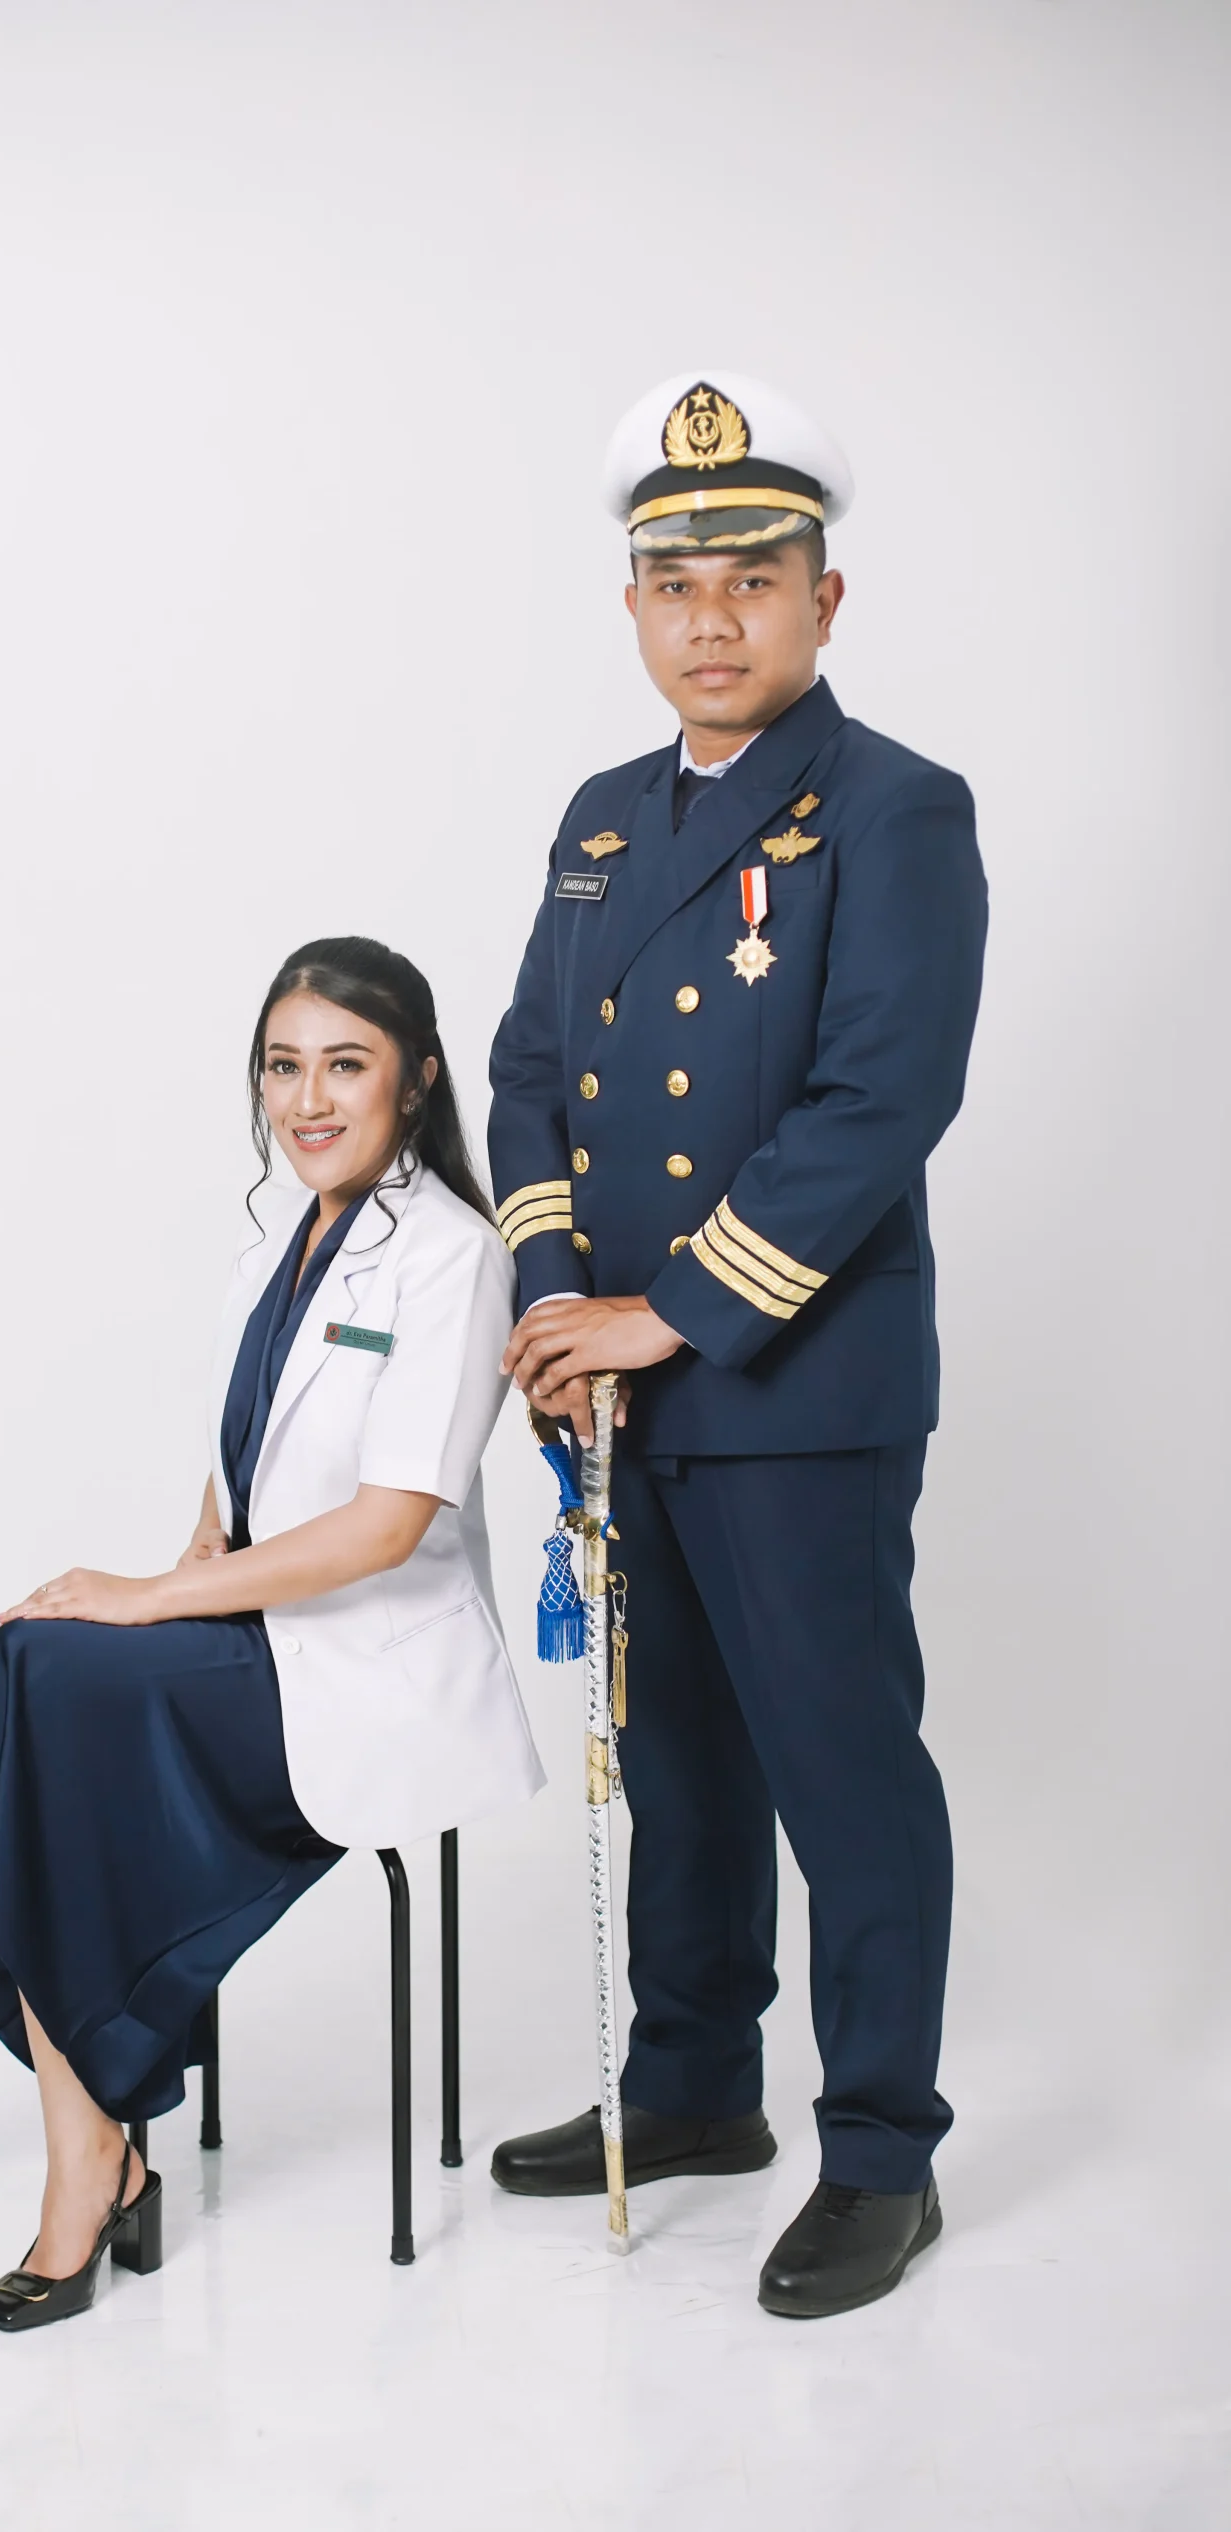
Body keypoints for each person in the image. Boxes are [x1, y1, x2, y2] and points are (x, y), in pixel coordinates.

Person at [0, 936, 543, 2331]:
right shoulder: (284, 1235)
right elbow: (248, 1462)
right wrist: (188, 1561)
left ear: (417, 1079)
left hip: (374, 1668)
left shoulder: (452, 1254)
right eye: (282, 1067)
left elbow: (384, 1528)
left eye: (345, 1065)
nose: (306, 1099)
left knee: (47, 1689)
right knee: (48, 1700)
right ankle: (62, 2141)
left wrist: (146, 1599)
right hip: (263, 1636)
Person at [486, 370, 988, 2318]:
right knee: (676, 1762)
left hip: (794, 1387)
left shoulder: (893, 808)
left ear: (823, 600)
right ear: (632, 606)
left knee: (840, 1770)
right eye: (675, 583)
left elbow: (880, 1101)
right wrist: (558, 1304)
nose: (712, 618)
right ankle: (694, 2089)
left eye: (753, 579)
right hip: (617, 1396)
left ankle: (880, 2151)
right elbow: (529, 1072)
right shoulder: (602, 821)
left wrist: (666, 1312)